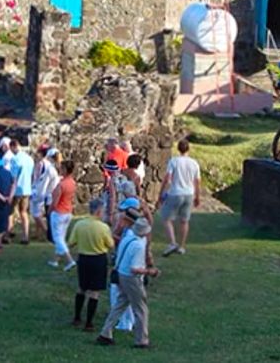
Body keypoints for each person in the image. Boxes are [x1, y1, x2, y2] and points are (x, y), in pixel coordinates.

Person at [97, 218, 159, 349]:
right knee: (141, 308)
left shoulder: (127, 238)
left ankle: (105, 333)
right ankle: (142, 340)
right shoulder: (138, 246)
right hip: (132, 278)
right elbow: (135, 268)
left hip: (121, 274)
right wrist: (150, 271)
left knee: (120, 305)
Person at [68, 198, 115, 332]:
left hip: (83, 258)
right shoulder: (103, 227)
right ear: (99, 211)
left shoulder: (79, 224)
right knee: (94, 291)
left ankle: (77, 317)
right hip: (98, 259)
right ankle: (89, 322)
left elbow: (71, 243)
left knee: (82, 287)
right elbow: (110, 245)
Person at [158, 139, 201, 257]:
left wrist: (161, 194)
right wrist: (198, 196)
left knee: (166, 218)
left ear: (178, 149)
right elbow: (197, 181)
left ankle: (172, 242)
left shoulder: (174, 161)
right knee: (184, 221)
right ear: (189, 149)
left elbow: (167, 179)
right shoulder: (194, 163)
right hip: (189, 193)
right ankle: (181, 247)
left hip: (175, 193)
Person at [48, 160, 77, 271]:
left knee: (58, 238)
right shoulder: (72, 182)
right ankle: (55, 259)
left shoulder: (61, 185)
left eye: (62, 168)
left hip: (59, 212)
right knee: (61, 237)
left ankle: (69, 260)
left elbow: (55, 202)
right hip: (68, 212)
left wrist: (49, 211)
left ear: (65, 170)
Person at [8, 140, 34, 244]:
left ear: (14, 146)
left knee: (10, 212)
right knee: (24, 212)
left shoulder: (15, 159)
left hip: (17, 189)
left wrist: (10, 193)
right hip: (27, 188)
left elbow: (13, 177)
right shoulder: (29, 159)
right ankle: (25, 236)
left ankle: (8, 234)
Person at [30, 144, 50, 241]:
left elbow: (37, 178)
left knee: (36, 214)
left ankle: (46, 232)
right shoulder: (47, 163)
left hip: (38, 190)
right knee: (39, 212)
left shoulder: (40, 164)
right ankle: (37, 233)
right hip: (44, 190)